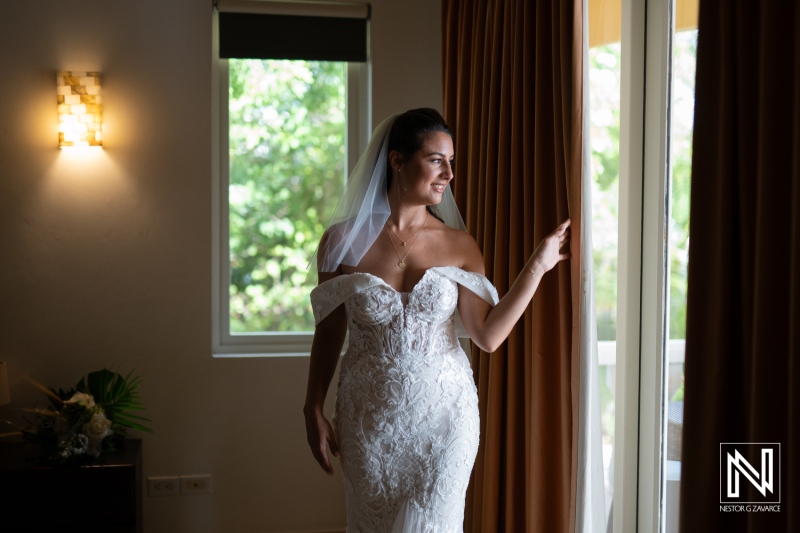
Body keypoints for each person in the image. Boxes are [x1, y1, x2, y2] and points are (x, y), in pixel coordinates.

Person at [303, 108, 570, 532]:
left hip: (446, 418)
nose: (448, 173)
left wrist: (535, 269)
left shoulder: (460, 245)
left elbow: (487, 335)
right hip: (368, 421)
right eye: (436, 160)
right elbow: (330, 330)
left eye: (452, 162)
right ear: (397, 161)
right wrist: (312, 405)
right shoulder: (341, 242)